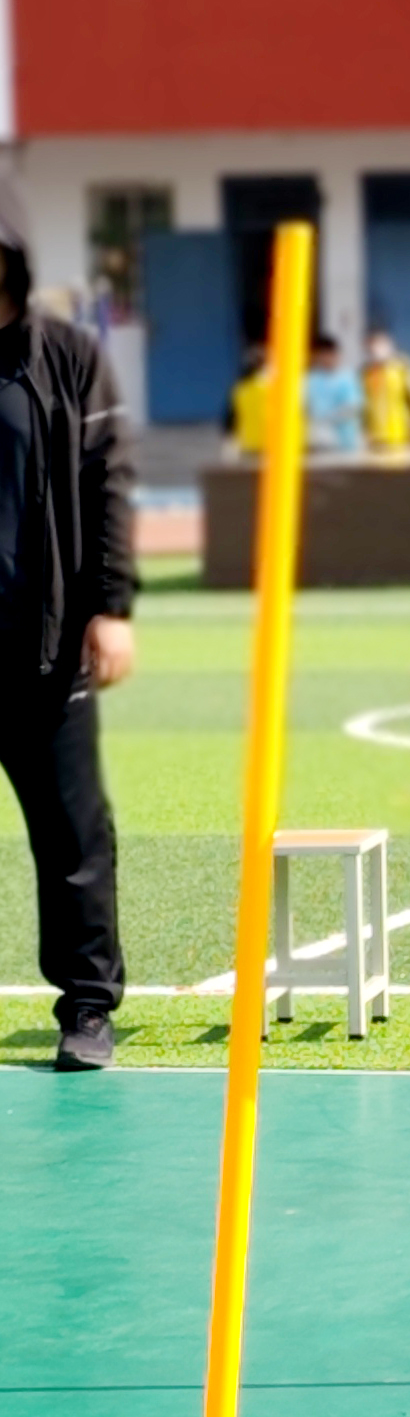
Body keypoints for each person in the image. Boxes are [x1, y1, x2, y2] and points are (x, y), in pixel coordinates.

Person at [0, 194, 135, 1071]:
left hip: (40, 649)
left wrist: (111, 605)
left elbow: (109, 481)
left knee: (73, 838)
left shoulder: (67, 358)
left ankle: (86, 1009)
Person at [362, 328, 410, 455]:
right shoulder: (367, 372)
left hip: (401, 435)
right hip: (375, 438)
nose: (376, 349)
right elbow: (364, 405)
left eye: (381, 344)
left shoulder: (403, 367)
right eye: (372, 345)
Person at [303, 334, 364, 455]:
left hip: (345, 443)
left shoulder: (348, 378)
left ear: (336, 354)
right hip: (318, 443)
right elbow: (304, 406)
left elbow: (354, 406)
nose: (325, 358)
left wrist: (328, 419)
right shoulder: (311, 379)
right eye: (322, 354)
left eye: (329, 354)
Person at [229, 345, 270, 459]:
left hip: (248, 445)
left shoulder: (240, 389)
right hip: (268, 445)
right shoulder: (276, 390)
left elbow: (231, 420)